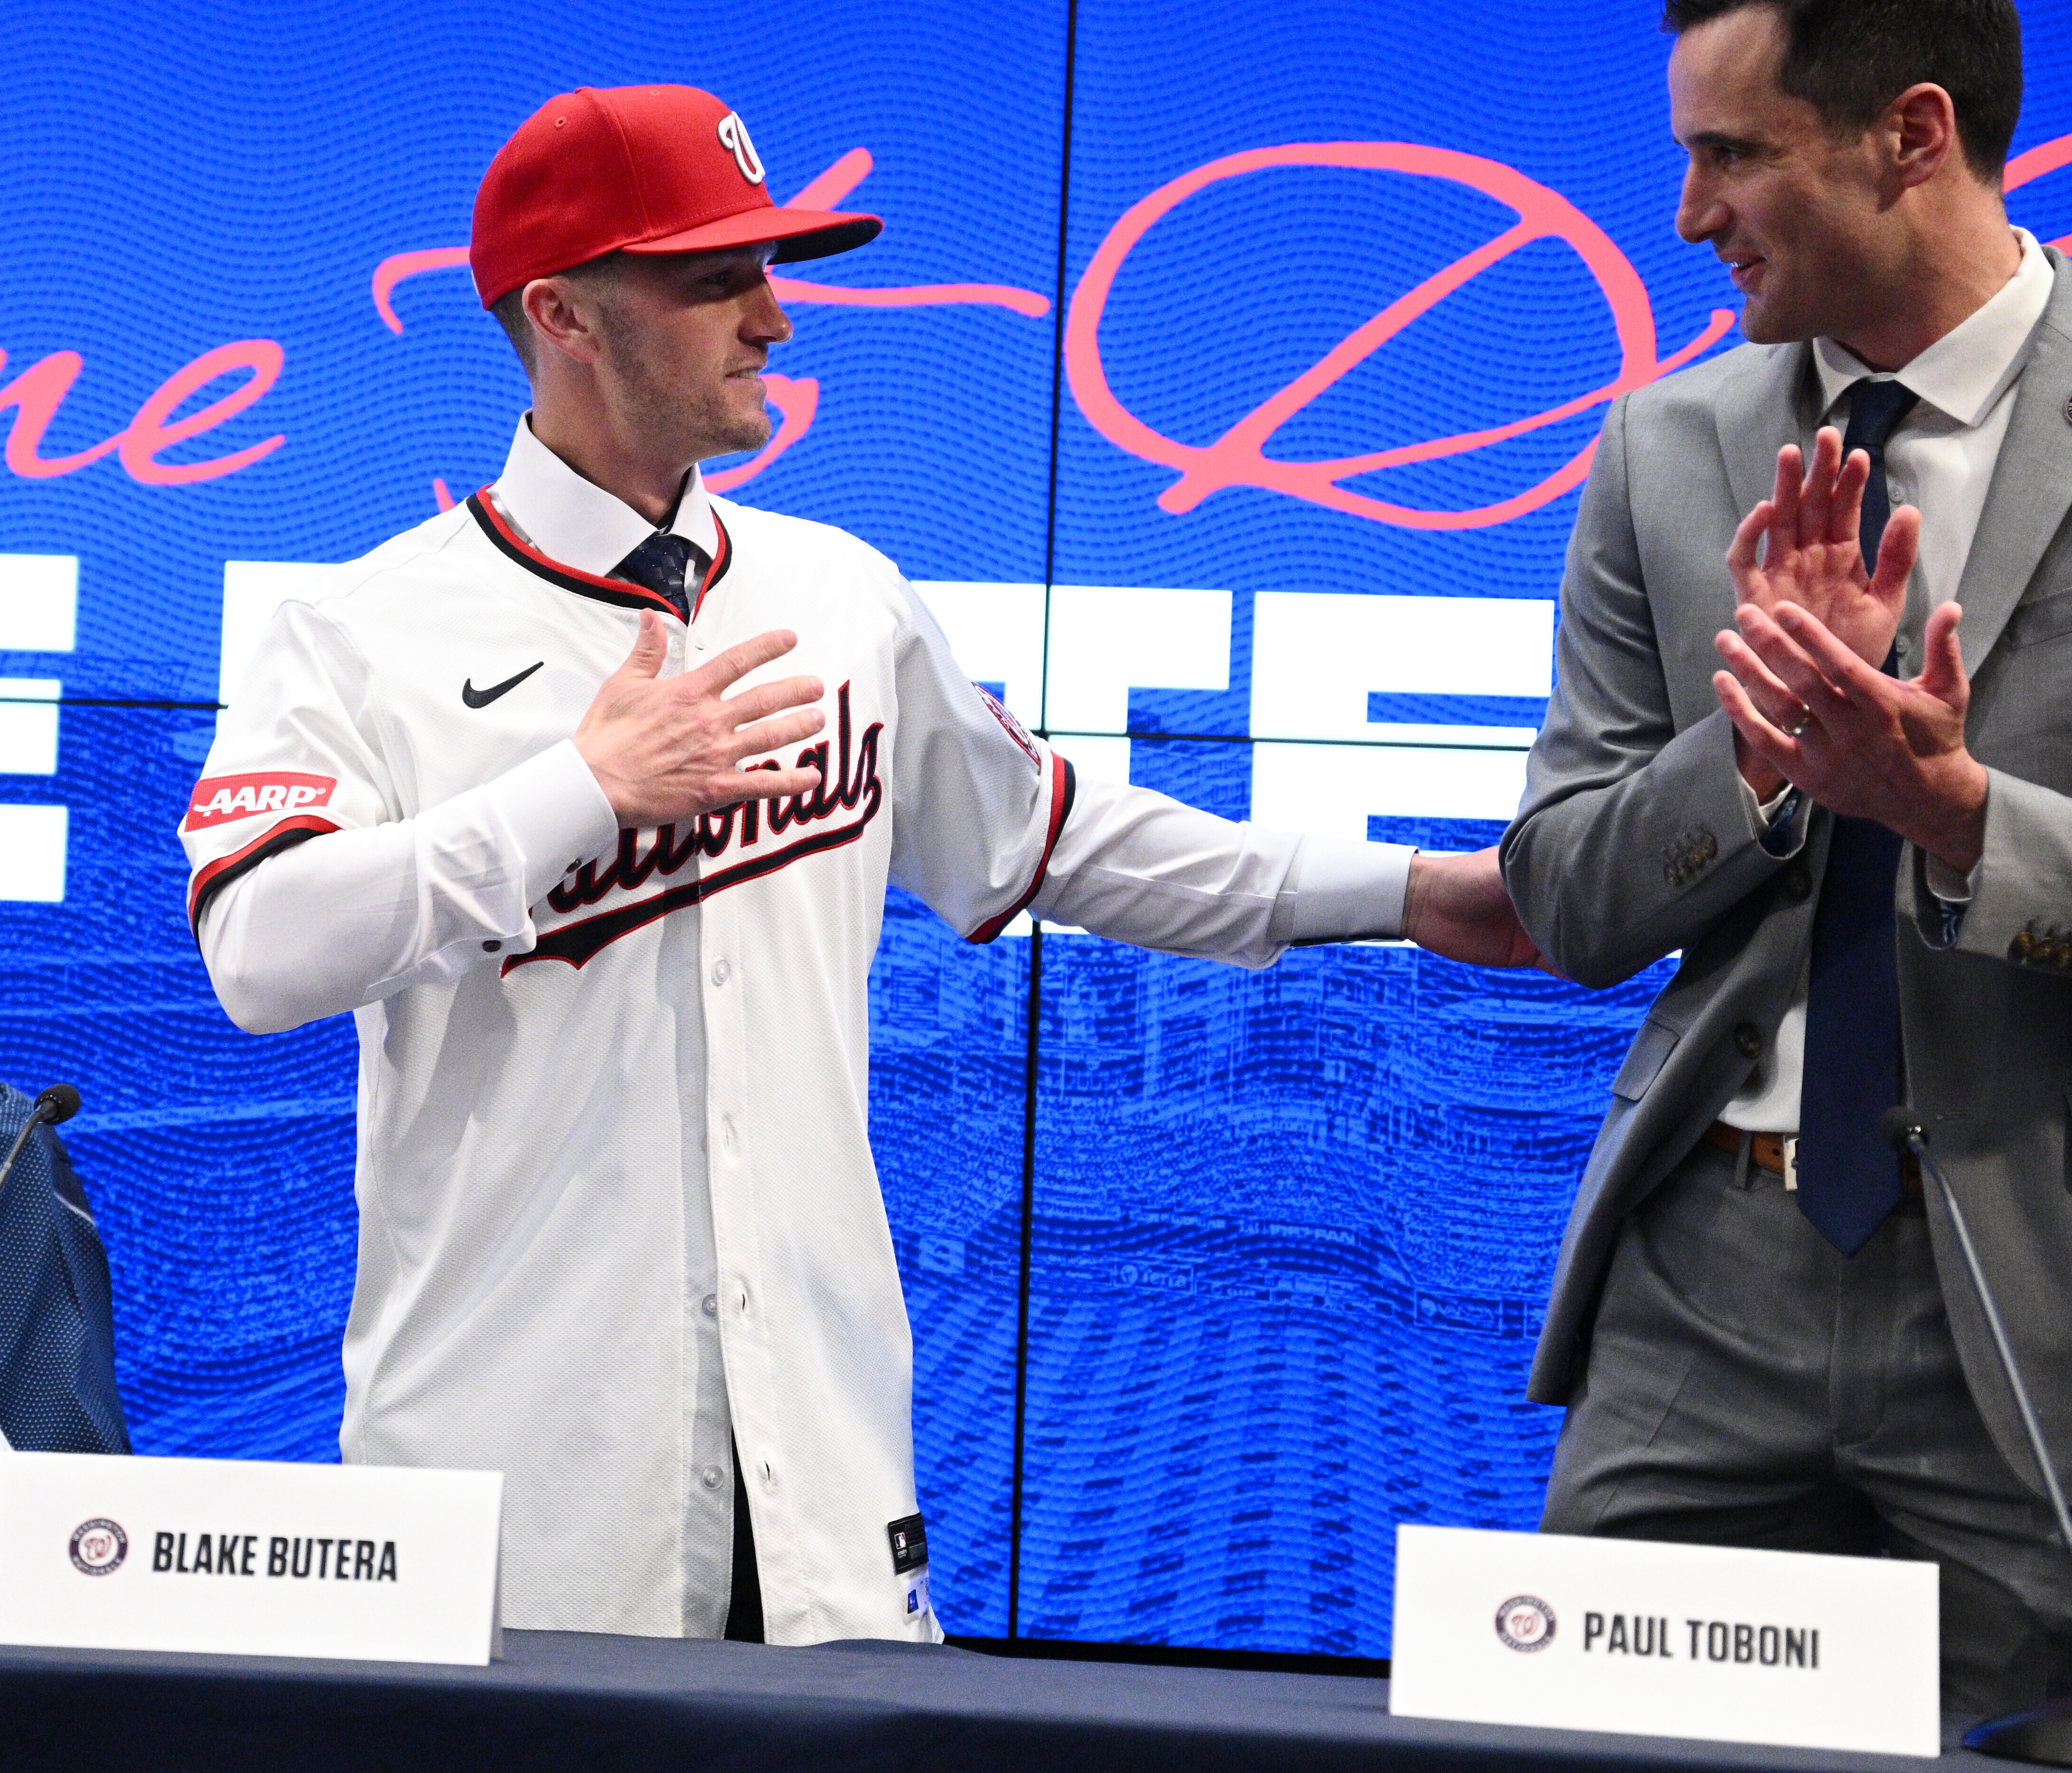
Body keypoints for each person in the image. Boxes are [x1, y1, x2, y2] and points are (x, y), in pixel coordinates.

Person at [183, 84, 1533, 1644]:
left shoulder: (842, 594)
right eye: (716, 276)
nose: (776, 315)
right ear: (564, 314)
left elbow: (1050, 833)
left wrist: (1412, 898)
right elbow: (262, 948)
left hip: (820, 1471)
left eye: (772, 266)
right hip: (515, 1481)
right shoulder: (358, 632)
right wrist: (580, 790)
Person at [1499, 0, 2072, 1714]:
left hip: (2063, 1298)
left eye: (1731, 154)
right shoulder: (1662, 449)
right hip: (1706, 1283)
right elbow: (1571, 892)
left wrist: (1956, 808)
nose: (1687, 215)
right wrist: (1759, 755)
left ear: (1914, 135)